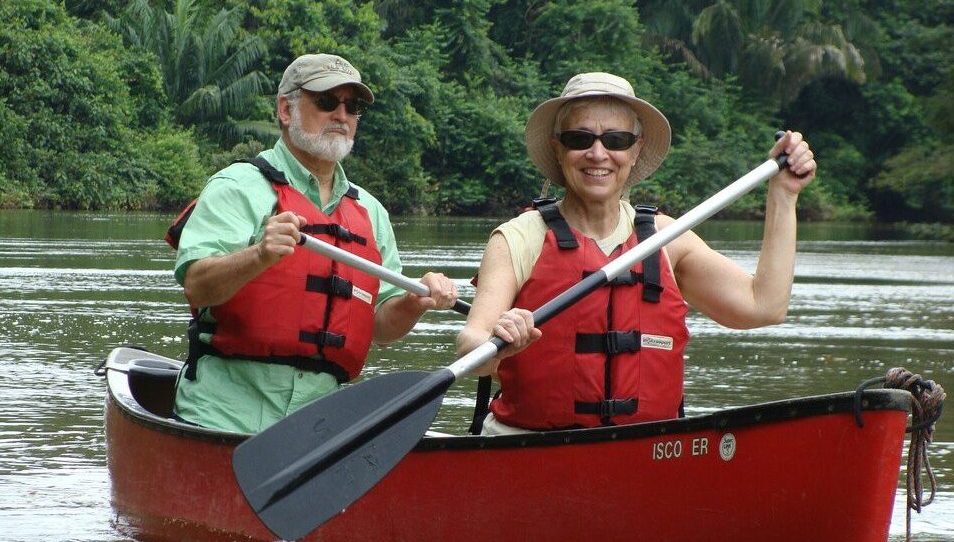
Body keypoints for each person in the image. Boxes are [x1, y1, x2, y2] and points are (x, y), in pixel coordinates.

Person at [456, 72, 816, 435]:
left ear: (636, 149)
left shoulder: (667, 238)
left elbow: (764, 306)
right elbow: (471, 346)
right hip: (529, 446)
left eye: (616, 140)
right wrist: (497, 344)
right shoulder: (518, 238)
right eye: (580, 139)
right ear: (557, 148)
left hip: (647, 451)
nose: (598, 154)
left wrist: (784, 195)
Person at [171, 53, 459, 433]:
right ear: (285, 110)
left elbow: (380, 327)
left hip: (320, 427)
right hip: (224, 416)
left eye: (352, 107)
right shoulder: (237, 186)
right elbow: (197, 285)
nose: (341, 115)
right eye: (326, 101)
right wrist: (258, 255)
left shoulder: (371, 212)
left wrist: (414, 303)